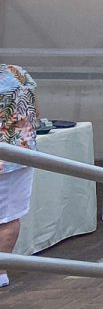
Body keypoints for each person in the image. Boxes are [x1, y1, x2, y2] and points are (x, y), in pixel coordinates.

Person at [0, 63, 41, 288]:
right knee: (8, 216)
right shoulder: (17, 72)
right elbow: (34, 110)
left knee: (7, 216)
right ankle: (1, 271)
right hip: (19, 153)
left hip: (14, 155)